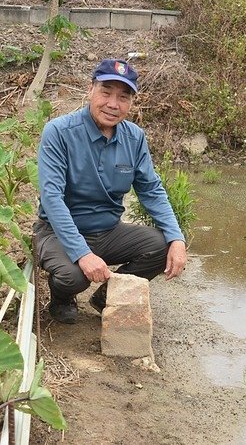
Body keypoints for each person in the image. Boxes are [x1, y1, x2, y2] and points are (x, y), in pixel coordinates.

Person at [33, 58, 188, 324]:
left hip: (108, 232)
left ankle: (105, 297)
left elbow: (151, 189)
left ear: (131, 103)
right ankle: (61, 297)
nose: (113, 104)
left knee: (161, 245)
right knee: (74, 276)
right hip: (57, 232)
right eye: (106, 93)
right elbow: (52, 198)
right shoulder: (59, 132)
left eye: (123, 97)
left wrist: (177, 239)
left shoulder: (134, 137)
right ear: (91, 90)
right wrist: (82, 254)